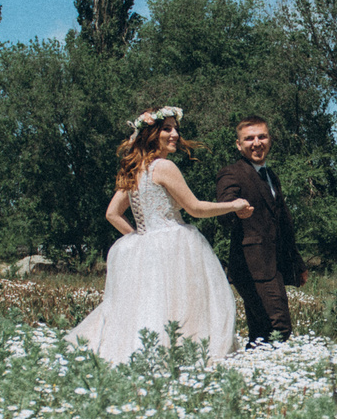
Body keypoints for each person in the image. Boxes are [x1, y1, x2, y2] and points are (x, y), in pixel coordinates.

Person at [71, 107, 253, 365]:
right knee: (182, 308)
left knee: (149, 308)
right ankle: (182, 360)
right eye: (167, 128)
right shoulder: (164, 166)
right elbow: (195, 208)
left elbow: (112, 213)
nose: (175, 134)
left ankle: (145, 358)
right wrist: (234, 205)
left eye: (175, 129)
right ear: (152, 134)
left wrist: (140, 237)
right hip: (175, 244)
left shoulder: (136, 169)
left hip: (146, 248)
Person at [215, 115, 304, 344]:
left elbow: (283, 224)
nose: (256, 143)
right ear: (238, 144)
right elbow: (224, 209)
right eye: (249, 138)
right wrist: (234, 209)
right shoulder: (231, 173)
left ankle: (255, 374)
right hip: (251, 266)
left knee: (262, 330)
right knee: (278, 326)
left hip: (273, 265)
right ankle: (273, 373)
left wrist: (297, 263)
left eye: (261, 136)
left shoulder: (271, 176)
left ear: (270, 140)